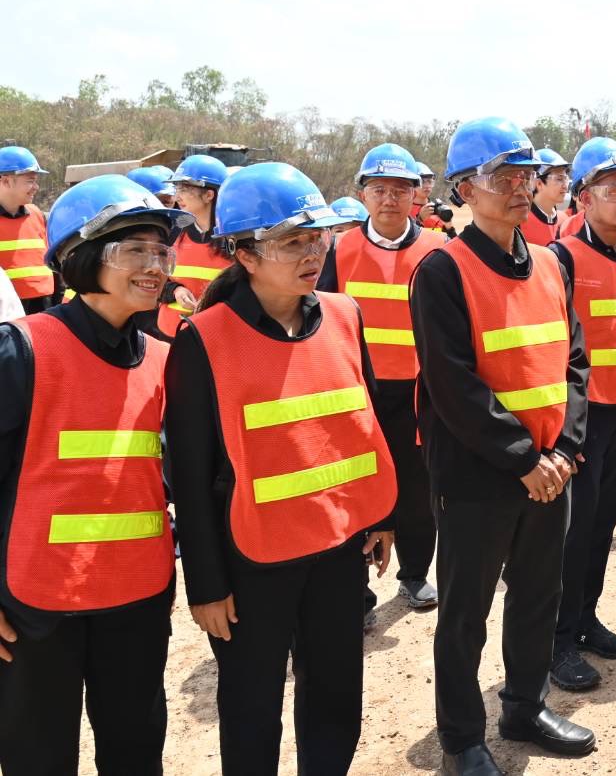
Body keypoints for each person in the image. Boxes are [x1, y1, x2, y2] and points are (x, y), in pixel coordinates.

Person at [164, 162, 399, 776]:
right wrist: (206, 584)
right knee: (252, 704)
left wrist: (381, 514)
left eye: (317, 238)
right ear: (244, 254)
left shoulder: (345, 315)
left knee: (335, 693)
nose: (312, 253)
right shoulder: (204, 339)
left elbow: (365, 424)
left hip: (336, 546)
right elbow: (189, 475)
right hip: (251, 559)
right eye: (292, 242)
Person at [410, 117, 594, 775]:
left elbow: (574, 362)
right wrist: (524, 459)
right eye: (504, 177)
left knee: (538, 596)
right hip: (478, 475)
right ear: (465, 190)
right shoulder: (441, 271)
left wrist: (564, 451)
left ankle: (524, 706)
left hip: (550, 469)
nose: (521, 187)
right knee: (466, 613)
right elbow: (453, 385)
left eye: (527, 175)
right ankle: (462, 739)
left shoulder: (550, 262)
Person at [0, 174, 191, 774]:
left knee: (135, 754)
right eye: (135, 250)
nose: (155, 267)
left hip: (136, 601)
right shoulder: (22, 350)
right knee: (37, 758)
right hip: (36, 608)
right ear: (79, 258)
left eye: (161, 252)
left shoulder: (165, 360)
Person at [547, 137, 616, 692]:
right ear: (584, 198)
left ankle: (585, 619)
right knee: (574, 533)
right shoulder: (561, 258)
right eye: (614, 190)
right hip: (583, 420)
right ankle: (557, 640)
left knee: (602, 527)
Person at [320, 144, 446, 614]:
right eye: (379, 189)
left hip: (420, 393)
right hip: (359, 391)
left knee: (417, 489)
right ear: (363, 195)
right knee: (358, 487)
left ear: (416, 194)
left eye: (399, 190)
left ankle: (414, 575)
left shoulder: (439, 250)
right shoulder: (339, 249)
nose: (389, 199)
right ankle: (358, 589)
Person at [157, 153, 232, 339]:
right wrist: (175, 290)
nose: (177, 196)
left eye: (184, 189)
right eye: (177, 188)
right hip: (169, 334)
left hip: (215, 336)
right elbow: (153, 278)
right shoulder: (172, 231)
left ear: (209, 195)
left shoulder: (233, 238)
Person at [0, 146, 57, 315]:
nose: (36, 187)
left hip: (45, 308)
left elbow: (53, 262)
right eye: (30, 181)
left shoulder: (37, 215)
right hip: (8, 313)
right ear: (6, 181)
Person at [522, 148, 570, 247]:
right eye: (559, 179)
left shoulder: (565, 221)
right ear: (539, 183)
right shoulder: (520, 221)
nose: (565, 186)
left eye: (566, 179)